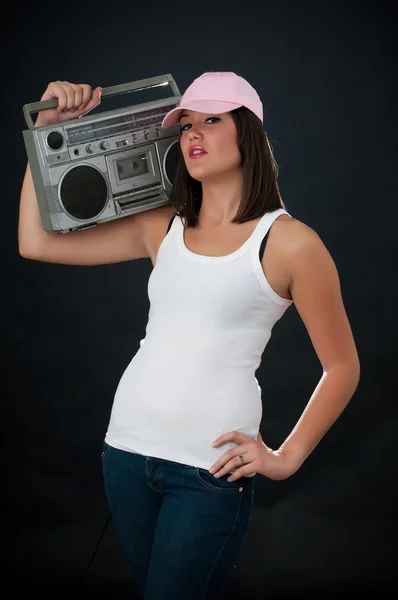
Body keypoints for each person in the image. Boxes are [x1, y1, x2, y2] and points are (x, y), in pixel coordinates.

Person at [18, 71, 360, 600]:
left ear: (247, 133)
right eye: (185, 126)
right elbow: (35, 243)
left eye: (211, 121)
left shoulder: (291, 244)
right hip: (125, 455)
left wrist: (286, 457)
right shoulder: (163, 225)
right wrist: (44, 129)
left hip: (207, 472)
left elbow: (342, 367)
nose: (193, 134)